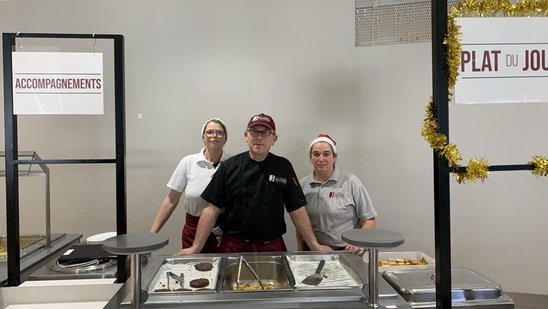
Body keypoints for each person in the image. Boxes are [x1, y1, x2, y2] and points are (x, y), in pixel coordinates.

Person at [179, 113, 332, 254]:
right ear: (246, 136)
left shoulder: (283, 167)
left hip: (271, 246)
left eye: (265, 133)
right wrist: (196, 247)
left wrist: (314, 245)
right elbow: (211, 209)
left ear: (274, 139)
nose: (259, 137)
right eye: (254, 132)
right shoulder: (229, 166)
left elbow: (297, 208)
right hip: (233, 246)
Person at [149, 118, 229, 253]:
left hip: (222, 231)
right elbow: (171, 200)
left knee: (221, 272)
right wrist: (152, 233)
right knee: (191, 270)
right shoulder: (188, 162)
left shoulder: (231, 164)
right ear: (203, 137)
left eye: (219, 132)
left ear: (225, 138)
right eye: (209, 132)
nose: (214, 135)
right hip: (192, 229)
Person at [297, 133, 377, 254]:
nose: (321, 159)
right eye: (316, 154)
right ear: (310, 158)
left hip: (346, 251)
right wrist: (299, 251)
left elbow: (370, 219)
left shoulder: (350, 182)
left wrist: (358, 242)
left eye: (326, 154)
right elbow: (299, 224)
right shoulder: (303, 185)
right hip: (313, 251)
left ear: (334, 157)